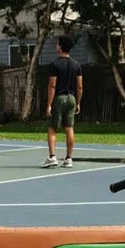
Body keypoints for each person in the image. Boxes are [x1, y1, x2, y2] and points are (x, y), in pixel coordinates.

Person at [42, 34, 83, 168]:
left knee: (52, 128)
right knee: (69, 128)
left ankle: (52, 157)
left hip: (59, 98)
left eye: (57, 44)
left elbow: (52, 85)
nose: (56, 46)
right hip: (71, 98)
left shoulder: (54, 64)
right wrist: (78, 102)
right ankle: (68, 158)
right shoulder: (76, 65)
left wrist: (49, 104)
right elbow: (80, 86)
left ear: (60, 47)